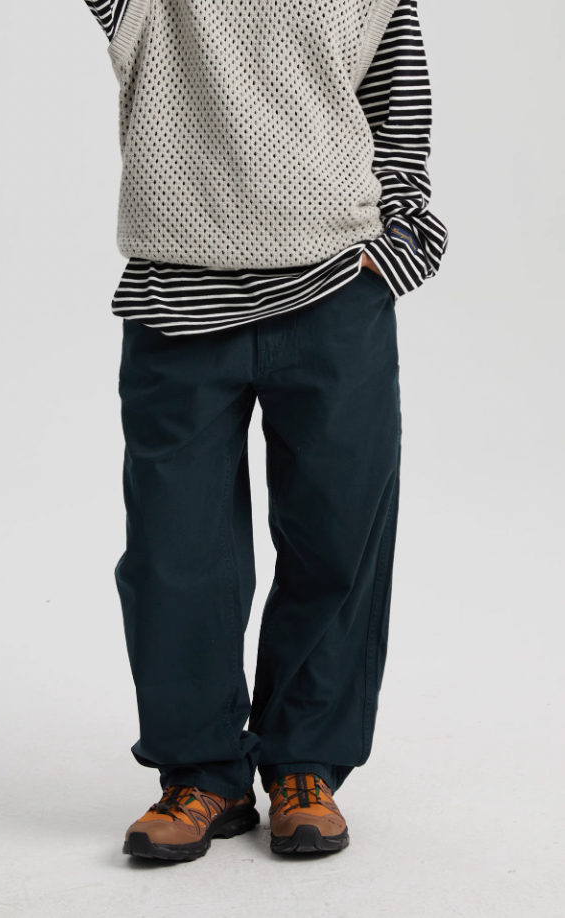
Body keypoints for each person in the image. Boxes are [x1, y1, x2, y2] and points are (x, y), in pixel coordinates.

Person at [82, 0, 448, 860]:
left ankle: (304, 764)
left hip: (335, 291)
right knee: (173, 552)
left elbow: (397, 112)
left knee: (337, 539)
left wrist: (397, 247)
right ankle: (200, 774)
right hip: (178, 298)